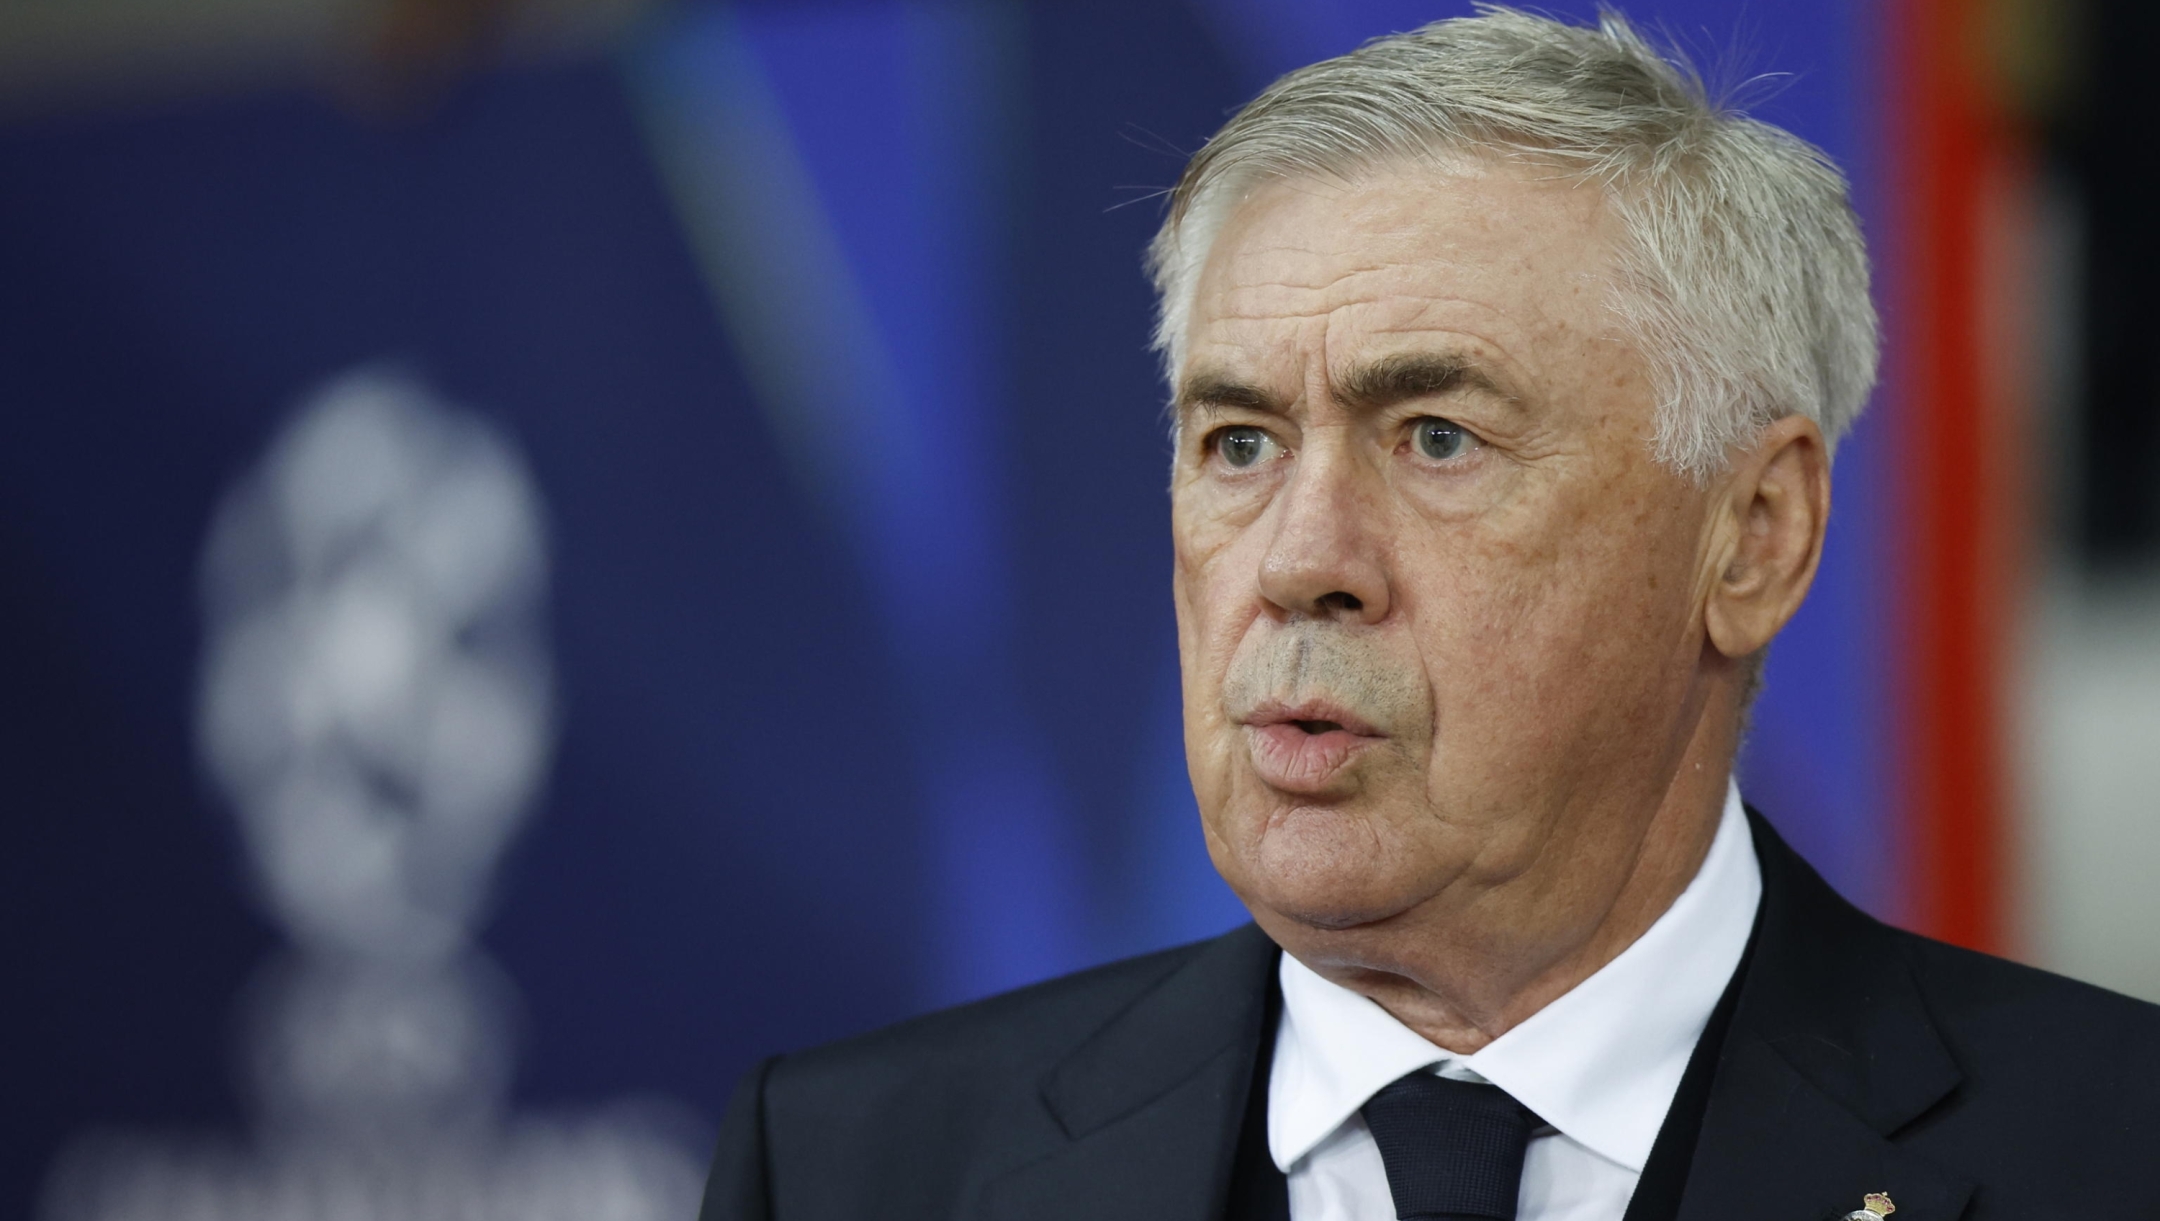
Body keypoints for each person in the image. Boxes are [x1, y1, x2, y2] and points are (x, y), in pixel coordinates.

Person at [698, 10, 2160, 1221]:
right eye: (1240, 443)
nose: (1299, 559)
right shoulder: (852, 1171)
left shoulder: (2108, 1154)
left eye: (1437, 434)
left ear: (1752, 535)